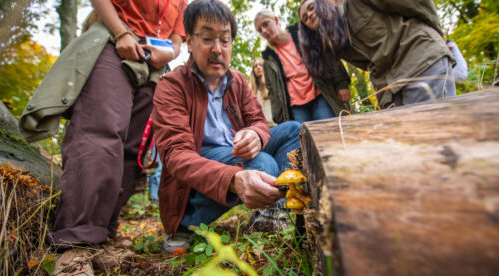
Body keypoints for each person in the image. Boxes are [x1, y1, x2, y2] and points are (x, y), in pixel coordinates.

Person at [19, 0, 187, 276]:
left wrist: (168, 54)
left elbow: (176, 40)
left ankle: (101, 237)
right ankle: (73, 246)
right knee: (100, 134)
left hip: (153, 67)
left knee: (132, 151)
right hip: (113, 44)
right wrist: (121, 33)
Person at [151, 0, 301, 252]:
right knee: (262, 163)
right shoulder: (171, 85)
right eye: (207, 38)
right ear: (189, 42)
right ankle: (186, 223)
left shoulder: (238, 81)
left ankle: (276, 214)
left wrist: (255, 134)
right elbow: (176, 154)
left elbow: (258, 121)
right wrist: (233, 178)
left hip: (232, 152)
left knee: (294, 130)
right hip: (199, 162)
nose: (217, 49)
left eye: (225, 40)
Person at [298, 0, 456, 108]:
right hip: (390, 89)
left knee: (436, 139)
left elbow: (414, 4)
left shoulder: (355, 4)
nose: (310, 15)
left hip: (420, 61)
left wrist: (434, 32)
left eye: (311, 8)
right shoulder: (336, 42)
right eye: (305, 18)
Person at [254, 10, 352, 124]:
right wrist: (279, 117)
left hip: (321, 96)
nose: (264, 31)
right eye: (260, 30)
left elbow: (328, 56)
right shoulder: (268, 59)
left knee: (329, 134)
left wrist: (341, 83)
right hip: (296, 108)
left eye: (266, 24)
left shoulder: (302, 34)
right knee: (305, 140)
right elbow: (273, 93)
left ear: (276, 20)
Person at [249, 58, 276, 127]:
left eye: (261, 65)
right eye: (255, 66)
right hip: (260, 128)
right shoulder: (250, 91)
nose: (258, 67)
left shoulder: (272, 85)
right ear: (253, 71)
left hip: (275, 125)